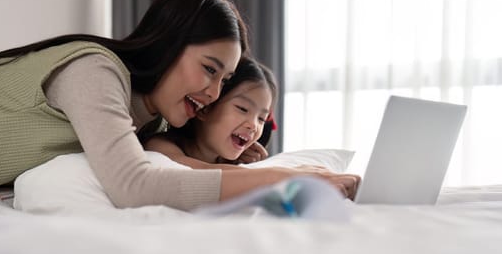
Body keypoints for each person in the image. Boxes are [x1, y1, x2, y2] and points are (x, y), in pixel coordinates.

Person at [0, 0, 359, 211]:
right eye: (209, 69)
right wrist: (284, 179)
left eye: (224, 81)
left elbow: (179, 169)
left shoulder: (154, 123)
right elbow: (135, 185)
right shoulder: (93, 70)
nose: (212, 93)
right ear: (169, 44)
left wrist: (243, 166)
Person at [145, 56, 361, 199]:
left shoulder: (230, 160)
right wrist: (288, 175)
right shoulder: (161, 145)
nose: (253, 125)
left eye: (261, 118)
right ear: (205, 108)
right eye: (242, 108)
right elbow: (198, 174)